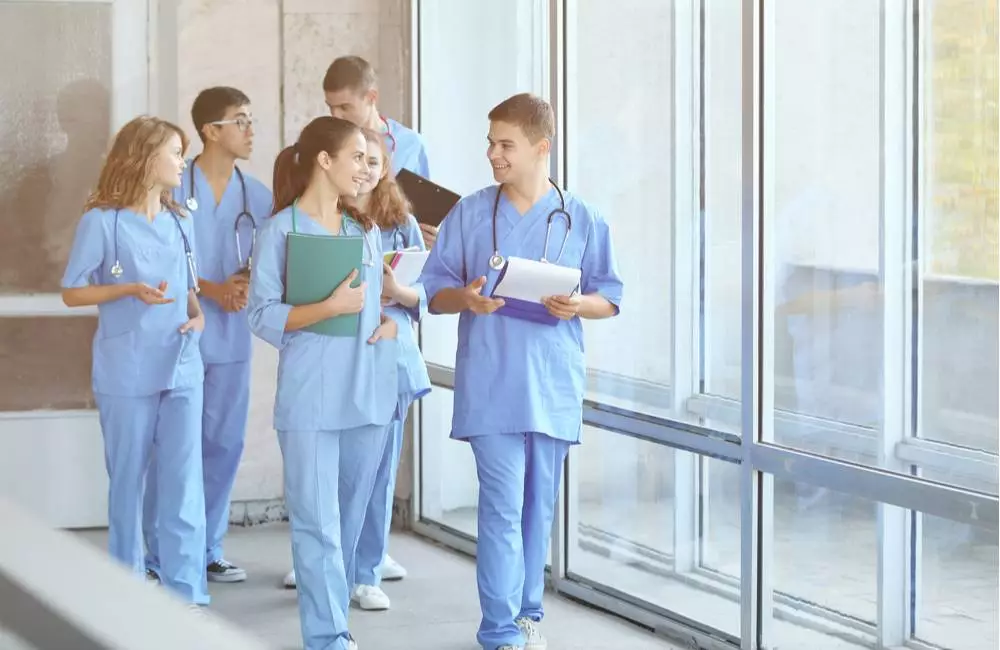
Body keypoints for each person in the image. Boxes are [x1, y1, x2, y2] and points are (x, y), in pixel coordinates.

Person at [418, 93, 623, 650]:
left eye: (505, 144)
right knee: (502, 508)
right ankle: (500, 629)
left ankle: (530, 612)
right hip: (492, 382)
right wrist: (467, 297)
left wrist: (577, 306)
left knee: (538, 510)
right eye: (490, 142)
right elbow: (433, 293)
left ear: (541, 148)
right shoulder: (472, 212)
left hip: (552, 382)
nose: (493, 154)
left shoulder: (583, 218)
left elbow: (610, 296)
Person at [247, 116, 419, 650]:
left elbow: (380, 303)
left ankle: (333, 621)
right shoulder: (279, 232)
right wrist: (327, 307)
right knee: (317, 524)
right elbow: (260, 315)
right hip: (310, 398)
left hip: (368, 390)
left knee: (344, 524)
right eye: (356, 158)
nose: (365, 170)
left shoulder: (363, 231)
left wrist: (394, 322)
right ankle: (329, 637)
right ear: (325, 161)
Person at [60, 115, 209, 609]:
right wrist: (126, 289)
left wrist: (198, 319)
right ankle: (126, 594)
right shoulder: (101, 222)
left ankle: (186, 596)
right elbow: (73, 292)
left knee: (184, 485)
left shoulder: (182, 221)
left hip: (182, 364)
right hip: (127, 368)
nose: (182, 161)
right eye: (174, 151)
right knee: (128, 483)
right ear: (145, 158)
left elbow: (191, 295)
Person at [281, 130, 432, 603]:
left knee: (376, 470)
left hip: (386, 354)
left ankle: (365, 571)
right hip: (334, 358)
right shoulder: (314, 221)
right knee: (327, 475)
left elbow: (421, 290)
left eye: (375, 160)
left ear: (386, 166)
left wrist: (396, 300)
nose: (366, 168)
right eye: (358, 158)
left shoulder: (396, 221)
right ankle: (328, 567)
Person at [143, 87, 273, 585]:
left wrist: (244, 285)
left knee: (223, 444)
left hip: (233, 338)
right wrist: (215, 289)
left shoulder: (256, 196)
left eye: (251, 119)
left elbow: (270, 259)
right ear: (209, 131)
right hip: (181, 334)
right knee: (175, 445)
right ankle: (159, 554)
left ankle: (207, 547)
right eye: (240, 121)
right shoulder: (175, 186)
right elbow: (158, 260)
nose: (250, 129)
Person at [323, 54, 438, 250]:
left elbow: (424, 211)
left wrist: (425, 235)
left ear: (371, 97)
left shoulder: (411, 144)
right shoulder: (325, 143)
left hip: (395, 249)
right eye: (330, 107)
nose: (336, 115)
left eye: (344, 107)